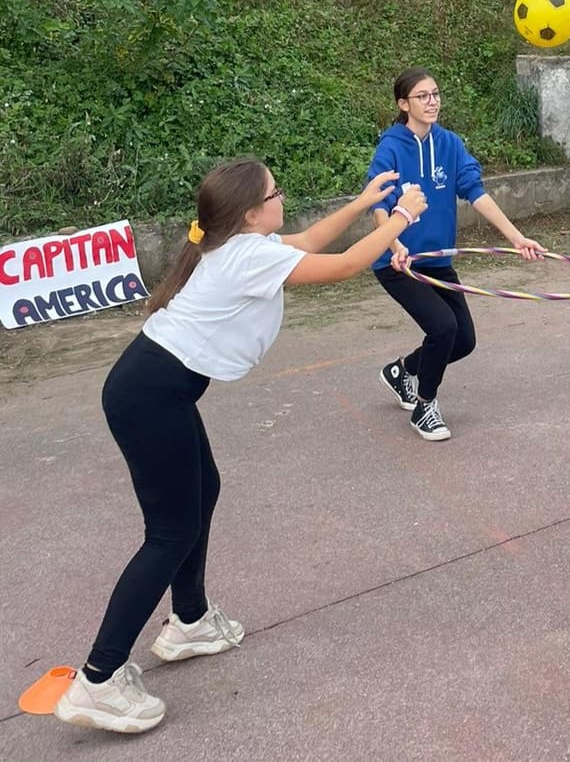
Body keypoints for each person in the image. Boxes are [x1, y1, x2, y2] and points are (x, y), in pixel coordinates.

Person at [54, 158, 427, 733]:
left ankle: (190, 619)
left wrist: (359, 204)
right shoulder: (246, 254)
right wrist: (401, 216)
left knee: (205, 492)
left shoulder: (237, 243)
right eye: (277, 191)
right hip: (149, 394)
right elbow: (347, 264)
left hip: (152, 389)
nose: (283, 197)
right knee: (169, 533)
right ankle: (98, 680)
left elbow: (304, 241)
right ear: (251, 213)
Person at [367, 67, 544, 441]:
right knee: (443, 327)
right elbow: (378, 201)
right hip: (399, 264)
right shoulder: (391, 146)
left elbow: (475, 192)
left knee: (463, 340)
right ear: (403, 103)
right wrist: (393, 243)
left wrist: (516, 238)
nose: (432, 102)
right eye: (422, 96)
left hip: (437, 260)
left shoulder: (449, 143)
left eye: (435, 94)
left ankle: (402, 371)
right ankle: (424, 406)